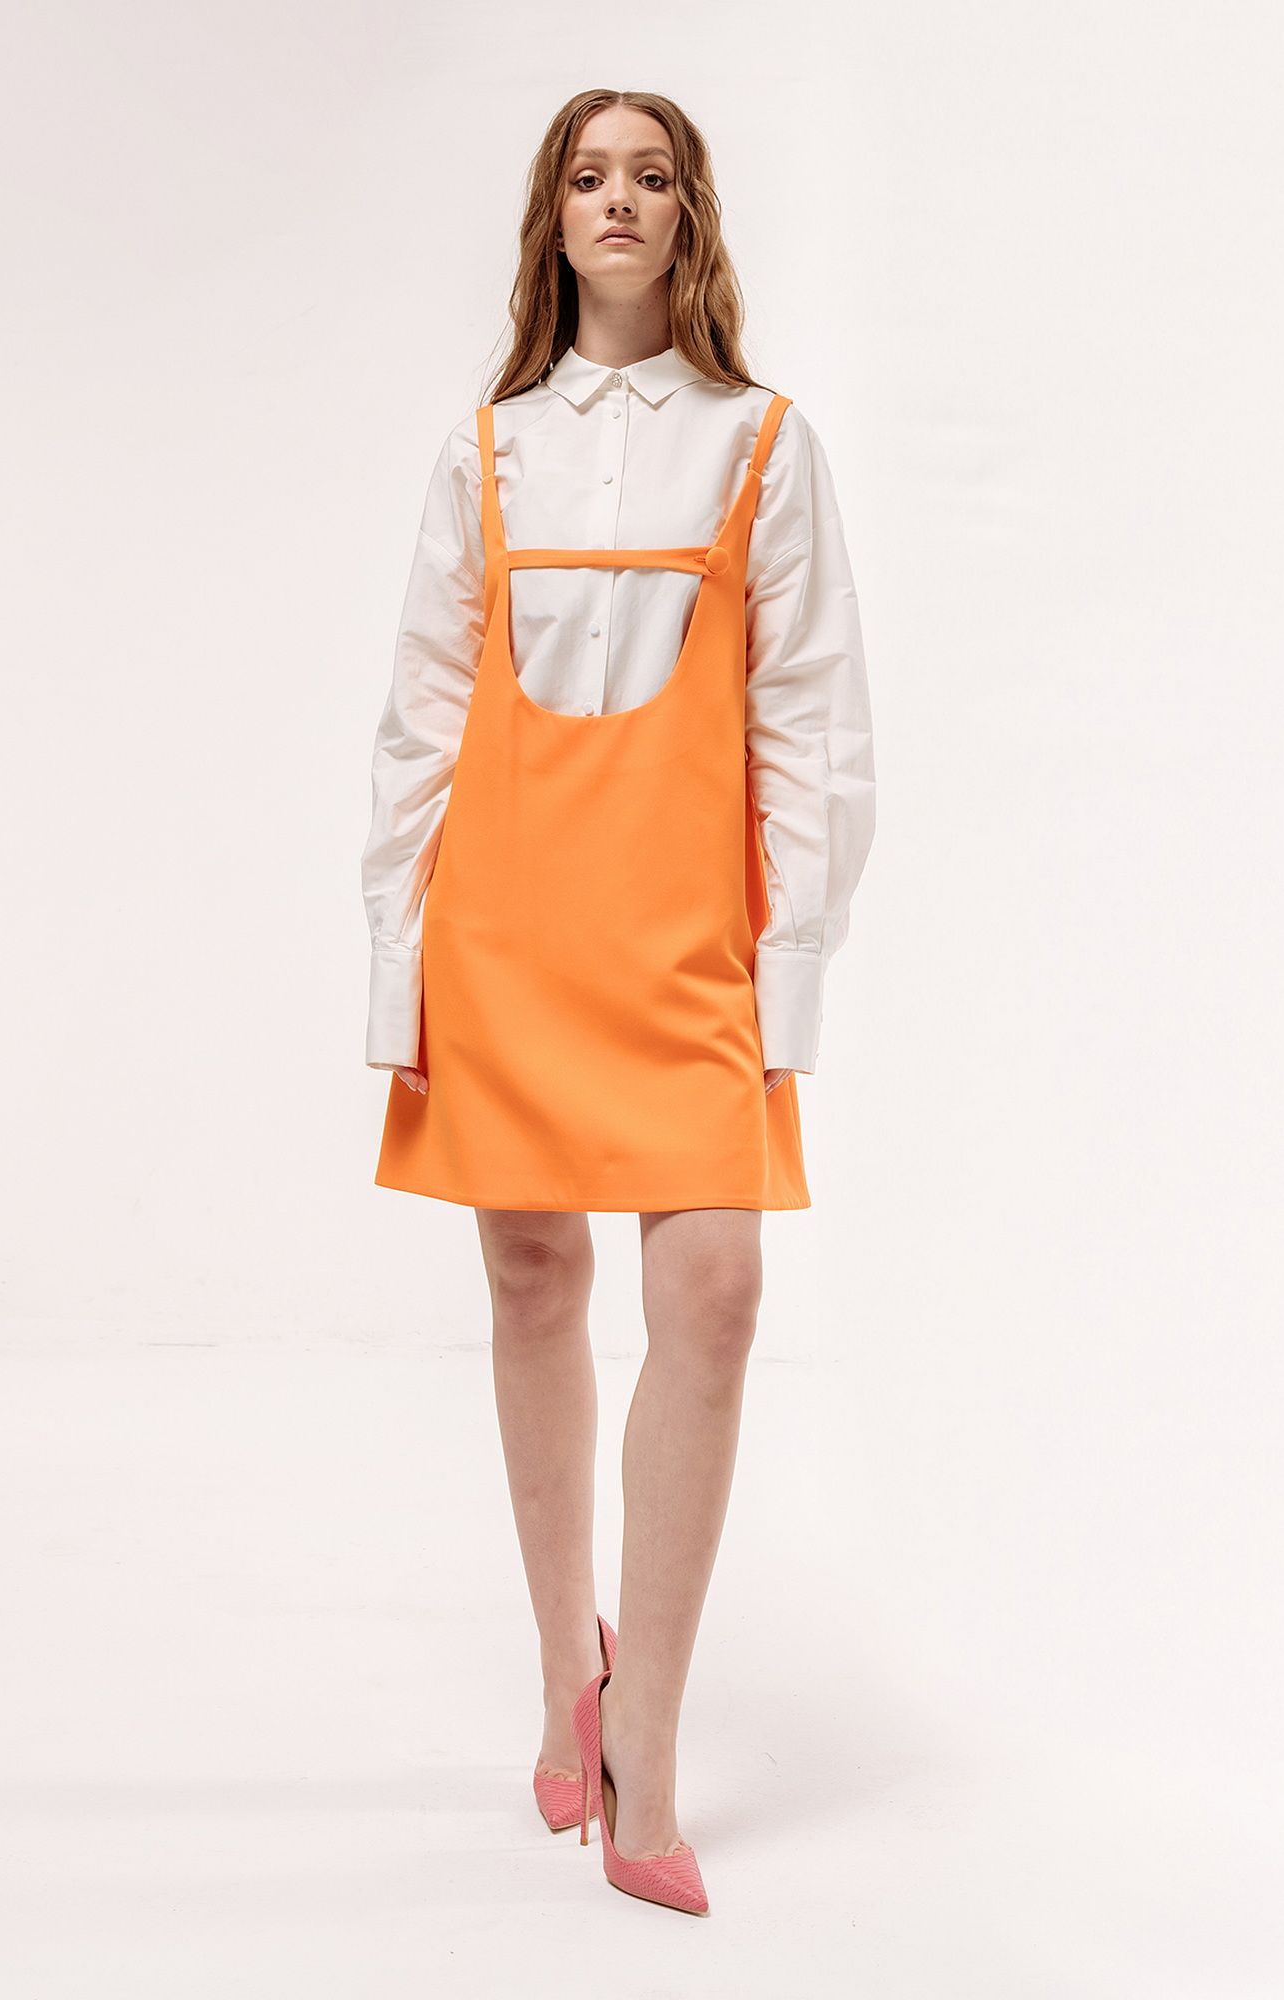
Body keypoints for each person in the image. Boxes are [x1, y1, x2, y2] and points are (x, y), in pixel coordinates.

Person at [359, 87, 876, 1916]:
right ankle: (562, 1676)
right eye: (588, 175)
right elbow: (421, 719)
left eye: (651, 176)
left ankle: (645, 1735)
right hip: (503, 925)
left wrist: (788, 978)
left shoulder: (762, 444)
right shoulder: (485, 450)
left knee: (713, 1295)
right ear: (552, 218)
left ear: (689, 217)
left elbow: (810, 722)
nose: (619, 200)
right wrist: (396, 971)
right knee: (529, 1279)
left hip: (684, 944)